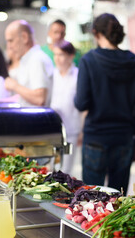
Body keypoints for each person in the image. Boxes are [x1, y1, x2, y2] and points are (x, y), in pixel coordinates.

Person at [74, 13, 135, 194]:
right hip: (124, 138)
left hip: (96, 138)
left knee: (91, 199)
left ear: (95, 33)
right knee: (118, 199)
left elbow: (81, 103)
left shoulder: (89, 60)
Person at [4, 20, 53, 107]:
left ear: (24, 37)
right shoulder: (29, 59)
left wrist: (14, 86)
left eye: (11, 41)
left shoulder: (36, 59)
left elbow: (40, 99)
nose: (9, 46)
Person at [50, 40, 82, 175]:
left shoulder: (78, 75)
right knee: (52, 167)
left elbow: (83, 106)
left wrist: (82, 131)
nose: (57, 58)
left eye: (61, 55)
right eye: (55, 54)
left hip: (72, 129)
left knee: (66, 170)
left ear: (71, 56)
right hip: (53, 129)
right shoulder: (52, 75)